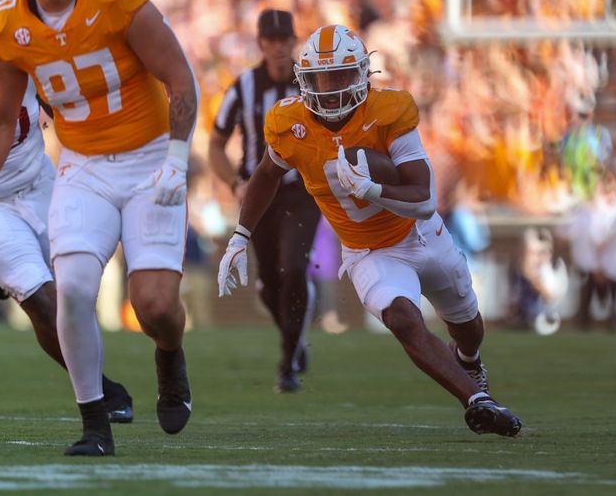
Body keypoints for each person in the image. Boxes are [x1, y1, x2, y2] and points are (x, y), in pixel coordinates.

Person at [218, 24, 522, 436]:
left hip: (421, 233)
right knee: (402, 318)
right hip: (368, 251)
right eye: (322, 77)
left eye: (341, 75)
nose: (330, 87)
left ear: (362, 74)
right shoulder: (291, 123)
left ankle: (469, 359)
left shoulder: (388, 111)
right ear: (305, 80)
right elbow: (267, 173)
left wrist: (376, 189)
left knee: (468, 325)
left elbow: (423, 198)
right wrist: (240, 235)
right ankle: (476, 400)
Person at [0, 0, 197, 456]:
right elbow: (0, 119)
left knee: (152, 305)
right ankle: (96, 423)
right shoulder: (9, 24)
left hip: (146, 157)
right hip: (82, 165)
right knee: (67, 292)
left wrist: (178, 159)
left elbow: (178, 75)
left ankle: (170, 355)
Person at [0, 0, 132, 423]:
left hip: (41, 182)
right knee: (40, 296)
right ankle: (102, 393)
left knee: (76, 293)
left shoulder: (20, 44)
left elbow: (66, 104)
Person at [209, 9, 320, 393]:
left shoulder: (311, 85)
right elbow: (216, 146)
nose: (277, 47)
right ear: (261, 44)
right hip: (259, 191)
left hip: (301, 190)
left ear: (293, 41)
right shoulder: (242, 87)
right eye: (270, 40)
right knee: (269, 283)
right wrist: (234, 183)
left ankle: (288, 362)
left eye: (284, 40)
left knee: (293, 268)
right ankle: (295, 337)